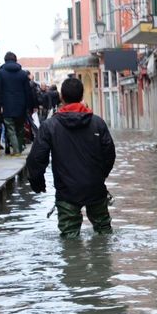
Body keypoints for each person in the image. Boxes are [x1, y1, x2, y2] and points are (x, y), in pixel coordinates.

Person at [27, 77, 115, 237]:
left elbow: (37, 158)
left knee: (69, 238)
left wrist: (37, 183)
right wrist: (100, 176)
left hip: (66, 191)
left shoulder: (50, 126)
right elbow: (109, 154)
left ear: (61, 97)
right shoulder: (97, 123)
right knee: (104, 232)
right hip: (95, 188)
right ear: (82, 97)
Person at [0, 50, 34, 155]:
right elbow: (28, 91)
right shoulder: (23, 74)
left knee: (10, 128)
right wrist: (30, 106)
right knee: (20, 128)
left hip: (7, 105)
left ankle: (16, 150)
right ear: (15, 60)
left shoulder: (0, 73)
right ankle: (19, 148)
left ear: (5, 60)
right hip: (21, 105)